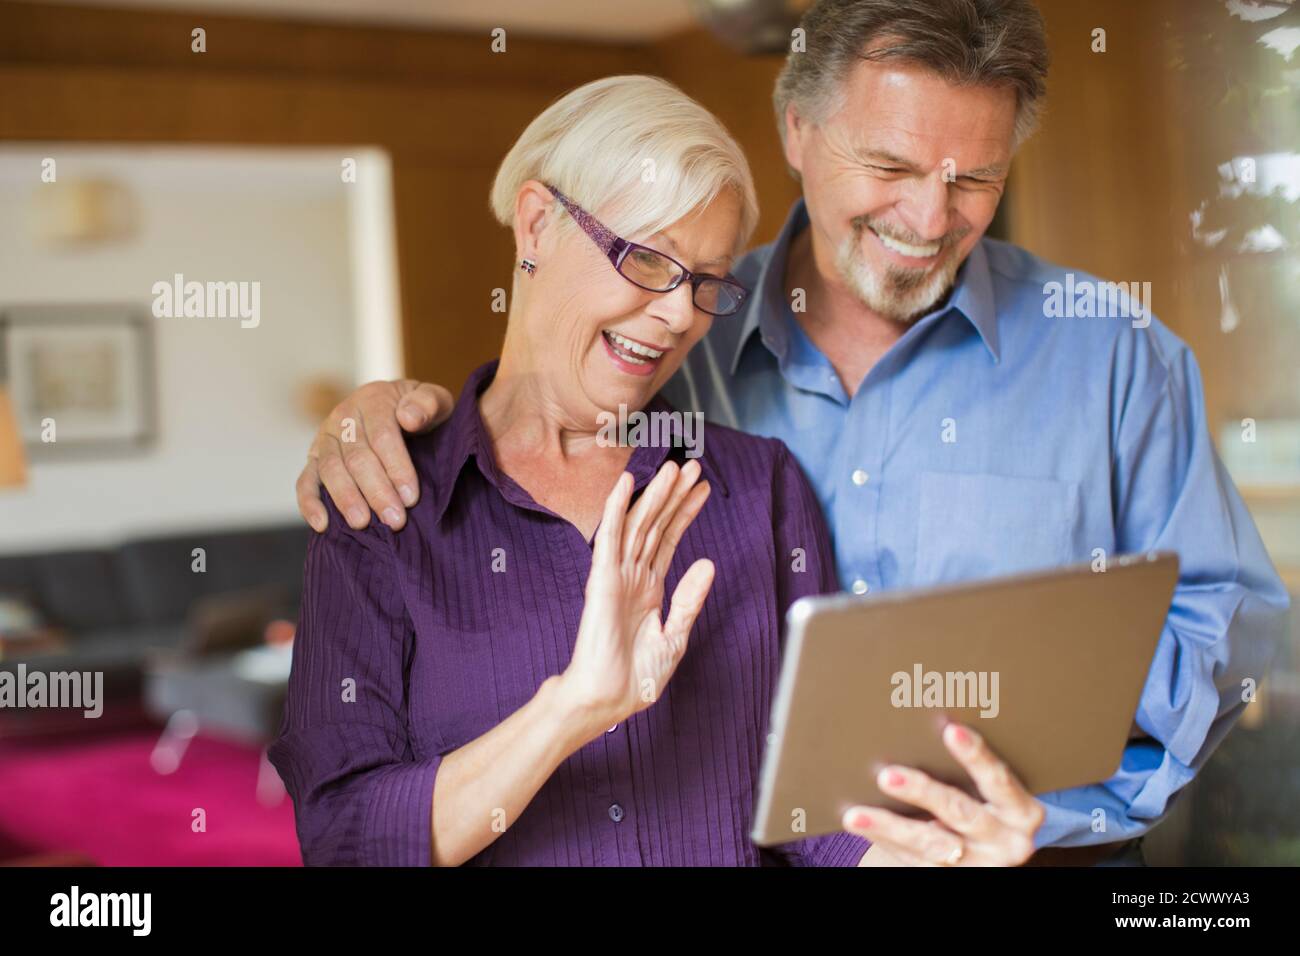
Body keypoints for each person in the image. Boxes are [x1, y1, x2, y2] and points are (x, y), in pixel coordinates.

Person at [296, 0, 1291, 867]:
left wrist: (1037, 809)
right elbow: (548, 377)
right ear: (796, 130)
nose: (928, 215)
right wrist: (379, 409)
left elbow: (1226, 621)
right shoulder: (681, 340)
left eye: (973, 177)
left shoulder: (1113, 358)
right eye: (888, 163)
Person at [271, 74, 1037, 866]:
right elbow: (346, 839)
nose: (680, 315)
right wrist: (573, 708)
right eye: (647, 261)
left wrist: (956, 855)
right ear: (536, 226)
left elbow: (820, 819)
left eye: (707, 282)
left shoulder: (759, 487)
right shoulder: (383, 500)